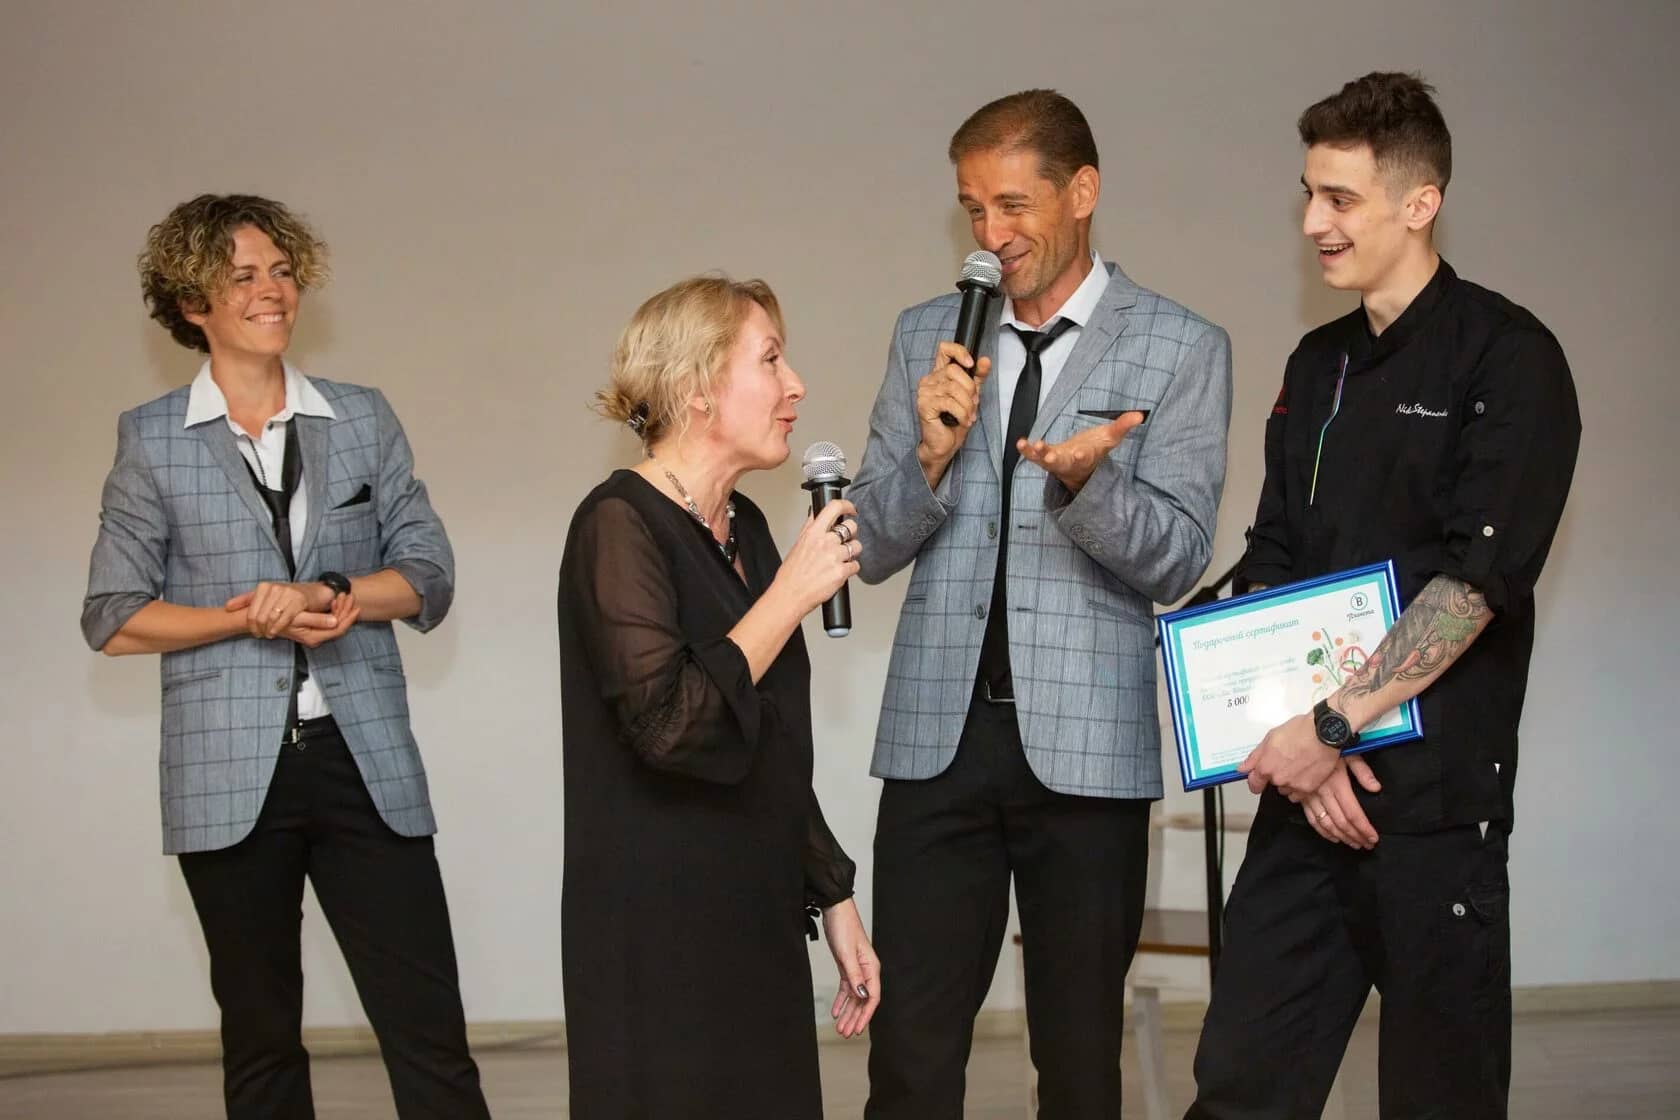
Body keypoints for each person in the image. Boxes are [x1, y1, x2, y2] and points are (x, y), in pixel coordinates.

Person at [1186, 73, 1581, 1119]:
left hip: (1436, 815)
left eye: (1341, 199)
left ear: (1419, 202)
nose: (1313, 223)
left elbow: (1474, 585)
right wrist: (1312, 752)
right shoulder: (1317, 364)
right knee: (1239, 1086)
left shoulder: (1510, 358)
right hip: (1309, 798)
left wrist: (1333, 725)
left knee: (1440, 1098)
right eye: (1308, 195)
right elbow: (1274, 558)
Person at [850, 89, 1233, 1117]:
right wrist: (929, 459)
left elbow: (1179, 559)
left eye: (1014, 205)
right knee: (909, 1054)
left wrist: (1088, 486)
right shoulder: (926, 336)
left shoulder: (1181, 346)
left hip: (1088, 755)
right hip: (937, 747)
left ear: (1084, 191)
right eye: (973, 209)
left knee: (1076, 1064)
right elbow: (870, 544)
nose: (991, 234)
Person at [80, 195, 490, 1118]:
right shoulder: (151, 438)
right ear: (193, 304)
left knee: (429, 1034)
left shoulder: (362, 416)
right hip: (226, 779)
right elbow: (112, 616)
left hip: (364, 762)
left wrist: (332, 594)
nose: (272, 290)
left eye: (281, 270)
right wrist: (242, 620)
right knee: (261, 1044)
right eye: (241, 277)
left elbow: (428, 575)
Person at [557, 275, 881, 1118]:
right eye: (770, 360)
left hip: (755, 918)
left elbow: (769, 741)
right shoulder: (617, 524)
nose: (796, 385)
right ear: (698, 388)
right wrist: (790, 596)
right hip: (655, 934)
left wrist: (834, 894)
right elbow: (669, 724)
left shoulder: (752, 530)